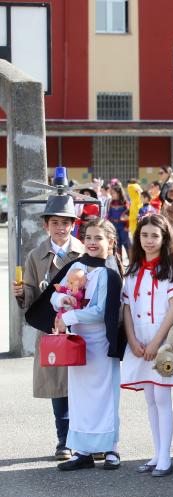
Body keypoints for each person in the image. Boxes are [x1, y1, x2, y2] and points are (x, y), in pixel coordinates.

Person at [26, 219, 125, 471]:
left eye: (98, 238)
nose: (92, 243)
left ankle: (111, 448)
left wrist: (68, 317)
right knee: (79, 396)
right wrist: (63, 299)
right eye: (89, 237)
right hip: (77, 341)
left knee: (105, 396)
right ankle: (82, 450)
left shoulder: (110, 273)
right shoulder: (77, 266)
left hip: (101, 342)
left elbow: (100, 311)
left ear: (110, 242)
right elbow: (55, 293)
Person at [120, 214, 173, 477]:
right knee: (150, 398)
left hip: (163, 343)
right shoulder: (131, 268)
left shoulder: (172, 266)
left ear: (164, 239)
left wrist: (156, 343)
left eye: (155, 235)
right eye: (144, 235)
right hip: (139, 342)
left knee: (163, 396)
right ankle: (155, 452)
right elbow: (127, 308)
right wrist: (132, 340)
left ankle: (166, 456)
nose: (149, 240)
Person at [13, 194, 84, 460]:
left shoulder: (84, 252)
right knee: (58, 387)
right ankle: (63, 440)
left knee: (83, 385)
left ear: (73, 225)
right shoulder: (35, 255)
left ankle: (86, 439)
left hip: (81, 328)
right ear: (46, 225)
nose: (60, 228)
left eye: (66, 222)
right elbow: (30, 293)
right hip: (52, 330)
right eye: (55, 222)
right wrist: (21, 293)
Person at [107, 185, 130, 258]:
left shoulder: (125, 203)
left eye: (113, 193)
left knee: (127, 244)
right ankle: (119, 264)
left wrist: (127, 226)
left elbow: (128, 215)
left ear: (119, 193)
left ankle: (132, 263)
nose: (111, 194)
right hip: (114, 227)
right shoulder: (111, 203)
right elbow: (109, 215)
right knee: (117, 245)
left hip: (123, 227)